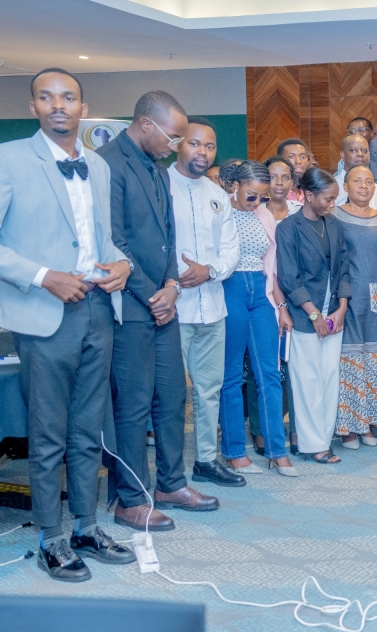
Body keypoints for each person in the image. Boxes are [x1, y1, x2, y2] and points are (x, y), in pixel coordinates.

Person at [3, 68, 135, 581]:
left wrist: (121, 264)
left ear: (84, 106)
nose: (59, 105)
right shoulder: (10, 159)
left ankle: (85, 526)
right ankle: (50, 537)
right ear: (33, 105)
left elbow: (101, 241)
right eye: (46, 97)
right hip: (45, 314)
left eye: (69, 97)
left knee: (89, 430)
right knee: (47, 434)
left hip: (99, 309)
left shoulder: (98, 167)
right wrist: (43, 277)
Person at [98, 90, 218, 530]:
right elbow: (114, 242)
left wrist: (171, 284)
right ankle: (130, 498)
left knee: (172, 397)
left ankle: (170, 483)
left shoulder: (156, 166)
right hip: (129, 307)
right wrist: (155, 294)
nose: (177, 145)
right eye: (173, 136)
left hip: (162, 302)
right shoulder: (108, 164)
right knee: (131, 407)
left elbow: (169, 236)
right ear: (146, 124)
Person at [169, 116, 244, 488]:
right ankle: (168, 469)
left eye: (210, 146)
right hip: (173, 308)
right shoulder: (159, 186)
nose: (203, 152)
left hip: (213, 306)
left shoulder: (217, 195)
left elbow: (232, 250)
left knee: (209, 389)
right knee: (169, 394)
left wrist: (210, 271)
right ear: (177, 144)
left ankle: (205, 460)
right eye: (195, 143)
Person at [223, 159, 297, 474]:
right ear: (234, 187)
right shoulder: (220, 212)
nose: (258, 202)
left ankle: (277, 450)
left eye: (262, 196)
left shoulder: (264, 214)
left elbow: (272, 266)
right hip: (230, 290)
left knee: (269, 372)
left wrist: (280, 307)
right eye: (252, 195)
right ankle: (235, 451)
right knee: (231, 377)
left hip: (262, 294)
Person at [275, 168, 352, 465]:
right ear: (308, 195)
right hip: (304, 314)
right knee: (307, 380)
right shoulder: (289, 228)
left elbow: (344, 268)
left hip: (334, 313)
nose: (332, 204)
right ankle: (311, 444)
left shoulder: (334, 225)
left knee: (329, 378)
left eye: (334, 199)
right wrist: (313, 313)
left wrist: (342, 307)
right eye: (327, 198)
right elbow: (289, 276)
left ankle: (323, 437)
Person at [332, 166, 377, 450]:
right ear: (345, 185)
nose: (364, 186)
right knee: (349, 362)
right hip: (347, 299)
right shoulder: (334, 217)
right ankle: (349, 427)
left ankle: (372, 423)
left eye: (369, 182)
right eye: (357, 181)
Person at [334, 134, 377, 208]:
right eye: (353, 150)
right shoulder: (331, 187)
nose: (360, 154)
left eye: (364, 151)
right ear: (343, 155)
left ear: (369, 156)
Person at [277, 138, 310, 204]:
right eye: (291, 156)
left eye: (302, 157)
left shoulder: (312, 191)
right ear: (280, 161)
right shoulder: (275, 191)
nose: (298, 161)